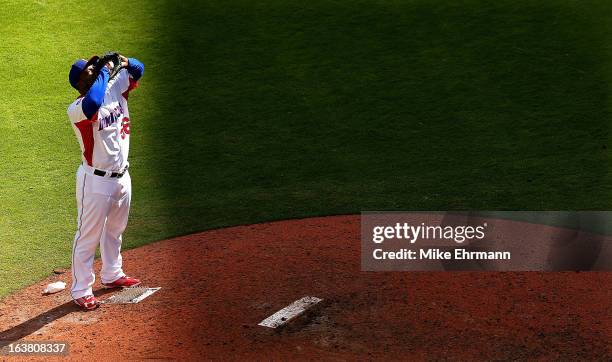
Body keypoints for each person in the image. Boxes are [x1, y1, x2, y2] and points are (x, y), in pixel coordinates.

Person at [66, 53, 144, 310]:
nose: (96, 68)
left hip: (122, 176)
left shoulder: (114, 87)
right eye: (90, 68)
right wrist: (104, 71)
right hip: (95, 181)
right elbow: (94, 103)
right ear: (80, 81)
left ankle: (112, 273)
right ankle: (81, 289)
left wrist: (123, 60)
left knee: (115, 230)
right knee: (87, 237)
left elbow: (138, 69)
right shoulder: (77, 108)